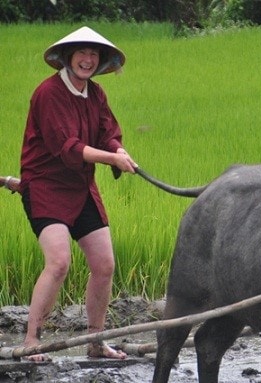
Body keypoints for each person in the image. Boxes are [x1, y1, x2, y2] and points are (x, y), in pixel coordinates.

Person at [18, 26, 138, 362]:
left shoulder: (96, 94)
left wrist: (119, 150)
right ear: (68, 57)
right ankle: (31, 341)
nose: (88, 59)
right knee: (58, 262)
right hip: (45, 185)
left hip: (81, 187)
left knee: (104, 264)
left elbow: (107, 133)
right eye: (82, 53)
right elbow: (67, 147)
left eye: (94, 54)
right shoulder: (48, 93)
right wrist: (110, 157)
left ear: (100, 62)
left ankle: (95, 342)